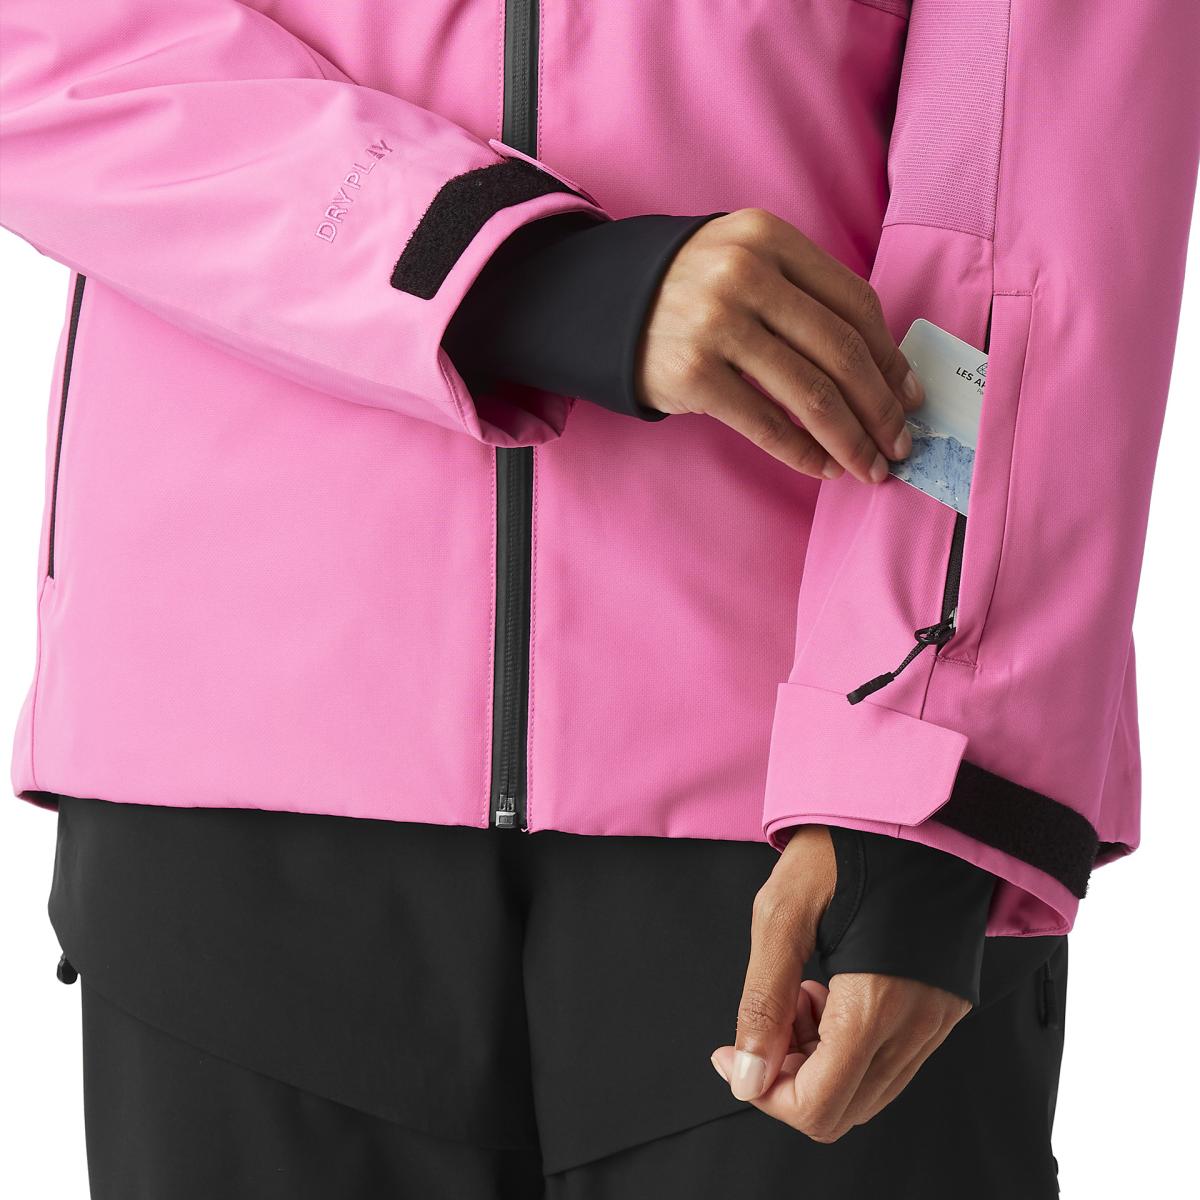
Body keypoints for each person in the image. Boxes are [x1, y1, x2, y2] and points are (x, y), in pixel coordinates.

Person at [2, 2, 1197, 1196]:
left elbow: (1041, 198)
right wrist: (510, 271)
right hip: (236, 771)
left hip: (804, 805)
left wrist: (927, 758)